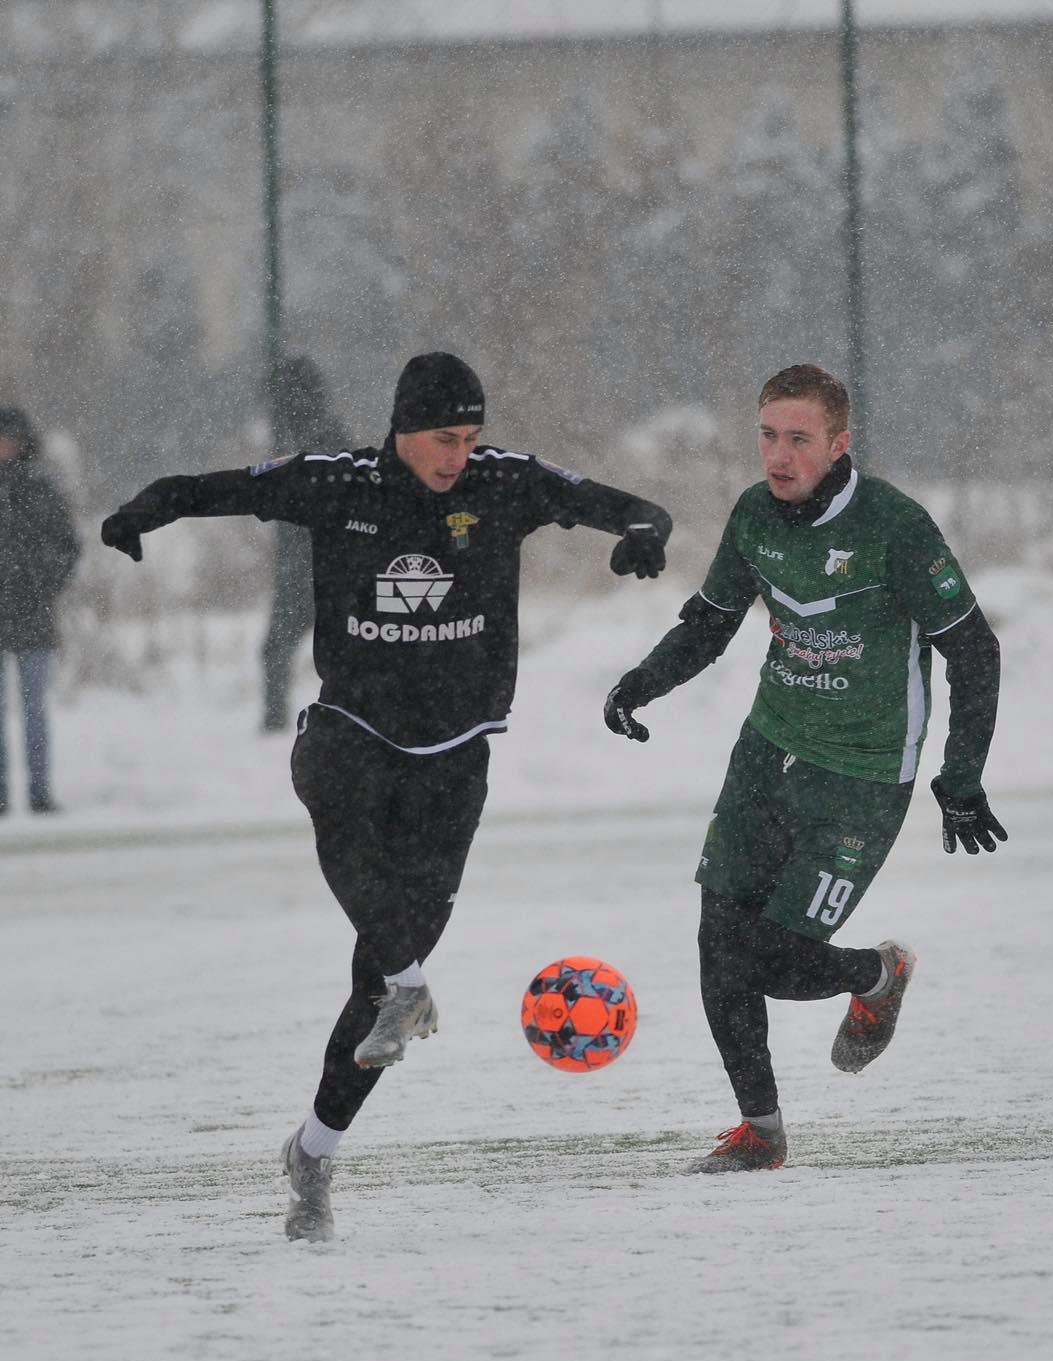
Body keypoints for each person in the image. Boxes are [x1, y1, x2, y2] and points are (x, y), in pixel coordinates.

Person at [101, 352, 672, 1237]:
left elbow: (631, 507)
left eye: (470, 437)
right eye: (445, 438)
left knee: (375, 990)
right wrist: (152, 506)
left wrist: (643, 532)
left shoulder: (506, 484)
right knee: (329, 793)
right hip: (355, 728)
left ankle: (315, 1150)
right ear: (403, 428)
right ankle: (409, 982)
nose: (458, 455)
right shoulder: (340, 483)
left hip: (456, 754)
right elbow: (214, 486)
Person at [604, 364, 1005, 1173]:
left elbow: (975, 648)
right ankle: (762, 1132)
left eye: (798, 439)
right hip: (765, 754)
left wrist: (959, 780)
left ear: (838, 443)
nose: (778, 456)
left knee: (775, 963)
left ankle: (878, 974)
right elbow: (711, 621)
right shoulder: (754, 515)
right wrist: (640, 682)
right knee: (719, 949)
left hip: (859, 780)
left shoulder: (895, 526)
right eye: (767, 436)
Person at [0, 406, 82, 816]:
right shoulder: (41, 490)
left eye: (10, 437)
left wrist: (43, 586)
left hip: (33, 614)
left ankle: (39, 792)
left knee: (35, 710)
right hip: (20, 612)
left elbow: (69, 546)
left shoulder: (42, 491)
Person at [260, 356, 348, 732]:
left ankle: (280, 724)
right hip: (317, 564)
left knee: (279, 648)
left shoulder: (309, 440)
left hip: (314, 565)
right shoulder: (318, 436)